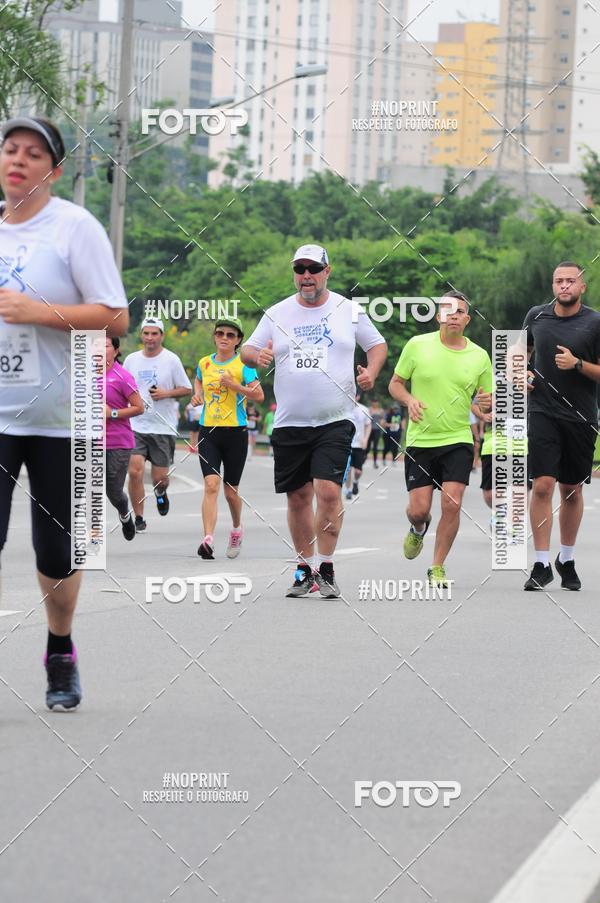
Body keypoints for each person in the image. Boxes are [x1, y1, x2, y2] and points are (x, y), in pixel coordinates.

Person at [0, 116, 129, 709]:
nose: (17, 160)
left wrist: (37, 310)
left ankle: (59, 649)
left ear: (52, 171)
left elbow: (114, 317)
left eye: (32, 154)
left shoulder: (75, 228)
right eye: (9, 150)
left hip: (63, 416)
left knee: (56, 554)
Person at [241, 243, 387, 598]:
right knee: (298, 497)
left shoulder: (349, 310)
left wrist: (372, 371)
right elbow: (248, 348)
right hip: (290, 422)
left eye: (313, 269)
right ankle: (304, 568)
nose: (306, 276)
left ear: (327, 272)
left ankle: (326, 564)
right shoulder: (277, 312)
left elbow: (377, 345)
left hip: (335, 418)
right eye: (300, 269)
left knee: (327, 491)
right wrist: (256, 354)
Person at [389, 291, 493, 587]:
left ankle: (437, 566)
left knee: (452, 502)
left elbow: (482, 399)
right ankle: (418, 528)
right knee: (419, 510)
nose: (453, 315)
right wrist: (409, 400)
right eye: (447, 310)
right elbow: (395, 384)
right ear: (438, 316)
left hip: (458, 439)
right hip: (421, 440)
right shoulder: (417, 345)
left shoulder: (479, 356)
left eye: (459, 311)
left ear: (467, 319)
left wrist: (485, 406)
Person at [522, 261, 600, 591]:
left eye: (571, 281)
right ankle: (541, 563)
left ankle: (566, 558)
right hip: (542, 411)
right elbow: (518, 355)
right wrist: (520, 373)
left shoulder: (595, 322)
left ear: (582, 287)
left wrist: (578, 364)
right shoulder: (536, 316)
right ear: (552, 286)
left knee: (571, 489)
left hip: (581, 416)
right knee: (542, 485)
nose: (564, 286)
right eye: (558, 281)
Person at [191, 316, 263, 559]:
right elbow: (198, 379)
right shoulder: (204, 362)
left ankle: (236, 528)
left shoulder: (244, 365)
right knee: (211, 485)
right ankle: (208, 539)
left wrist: (235, 386)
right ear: (214, 336)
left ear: (238, 341)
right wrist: (197, 394)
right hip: (208, 431)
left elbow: (259, 395)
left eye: (230, 335)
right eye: (220, 333)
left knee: (230, 491)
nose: (224, 338)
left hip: (235, 433)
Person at [123, 317, 192, 531]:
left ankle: (161, 493)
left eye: (154, 334)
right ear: (141, 335)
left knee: (160, 479)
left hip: (163, 427)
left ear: (162, 336)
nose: (150, 338)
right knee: (135, 472)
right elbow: (122, 387)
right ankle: (140, 517)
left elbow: (187, 389)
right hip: (136, 425)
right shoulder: (131, 360)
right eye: (146, 333)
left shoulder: (171, 360)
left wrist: (166, 393)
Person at [104, 336, 144, 540]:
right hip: (89, 441)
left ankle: (124, 514)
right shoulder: (82, 375)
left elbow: (139, 407)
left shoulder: (122, 376)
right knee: (83, 486)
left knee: (113, 492)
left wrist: (112, 413)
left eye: (106, 346)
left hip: (117, 443)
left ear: (116, 350)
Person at [344, 394, 371, 499]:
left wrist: (366, 439)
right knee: (348, 469)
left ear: (358, 396)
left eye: (354, 395)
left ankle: (355, 482)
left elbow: (368, 425)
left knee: (358, 471)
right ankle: (348, 490)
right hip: (347, 444)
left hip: (359, 445)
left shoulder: (364, 409)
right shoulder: (344, 409)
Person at [365, 400, 385, 467]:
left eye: (376, 402)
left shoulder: (381, 410)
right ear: (372, 403)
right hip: (370, 429)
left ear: (378, 403)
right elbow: (366, 418)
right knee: (368, 445)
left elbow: (383, 419)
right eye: (373, 402)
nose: (375, 403)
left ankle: (375, 462)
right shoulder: (369, 409)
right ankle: (364, 458)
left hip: (377, 430)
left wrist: (382, 423)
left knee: (375, 447)